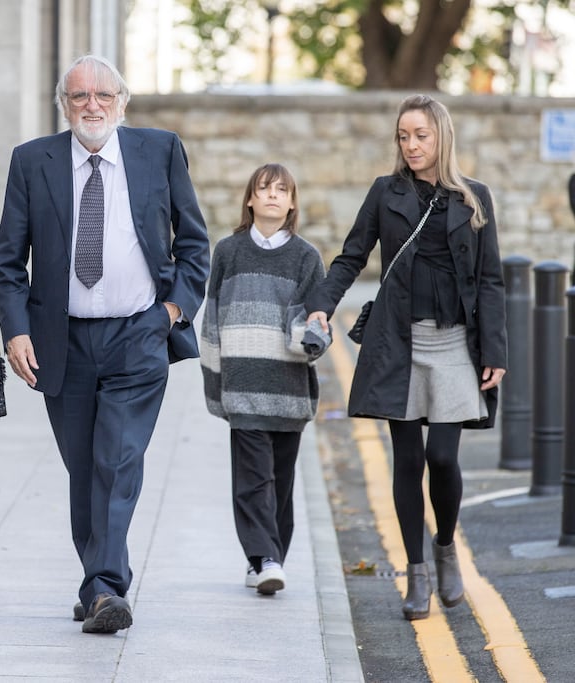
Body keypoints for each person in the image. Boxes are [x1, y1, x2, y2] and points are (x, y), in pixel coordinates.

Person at [0, 54, 210, 634]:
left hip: (138, 334)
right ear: (64, 105)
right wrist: (15, 330)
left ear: (122, 102)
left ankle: (107, 587)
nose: (92, 106)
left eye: (104, 96)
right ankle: (97, 582)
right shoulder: (31, 161)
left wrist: (171, 310)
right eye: (80, 97)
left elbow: (194, 242)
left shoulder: (158, 151)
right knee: (84, 469)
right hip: (62, 340)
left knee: (118, 461)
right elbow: (10, 261)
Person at [306, 94, 507, 620]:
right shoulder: (384, 193)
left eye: (420, 135)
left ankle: (446, 550)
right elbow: (352, 255)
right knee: (409, 460)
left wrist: (496, 351)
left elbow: (490, 281)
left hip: (456, 346)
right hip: (399, 343)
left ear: (441, 136)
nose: (411, 145)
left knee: (442, 457)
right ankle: (415, 572)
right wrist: (322, 307)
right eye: (403, 136)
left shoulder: (475, 198)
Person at [200, 163, 329, 597]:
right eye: (263, 188)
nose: (272, 195)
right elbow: (212, 320)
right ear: (250, 200)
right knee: (253, 480)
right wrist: (214, 385)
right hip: (243, 386)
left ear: (292, 202)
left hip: (288, 389)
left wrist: (313, 338)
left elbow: (316, 321)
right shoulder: (229, 252)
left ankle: (266, 560)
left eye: (282, 190)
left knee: (281, 482)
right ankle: (267, 557)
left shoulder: (307, 257)